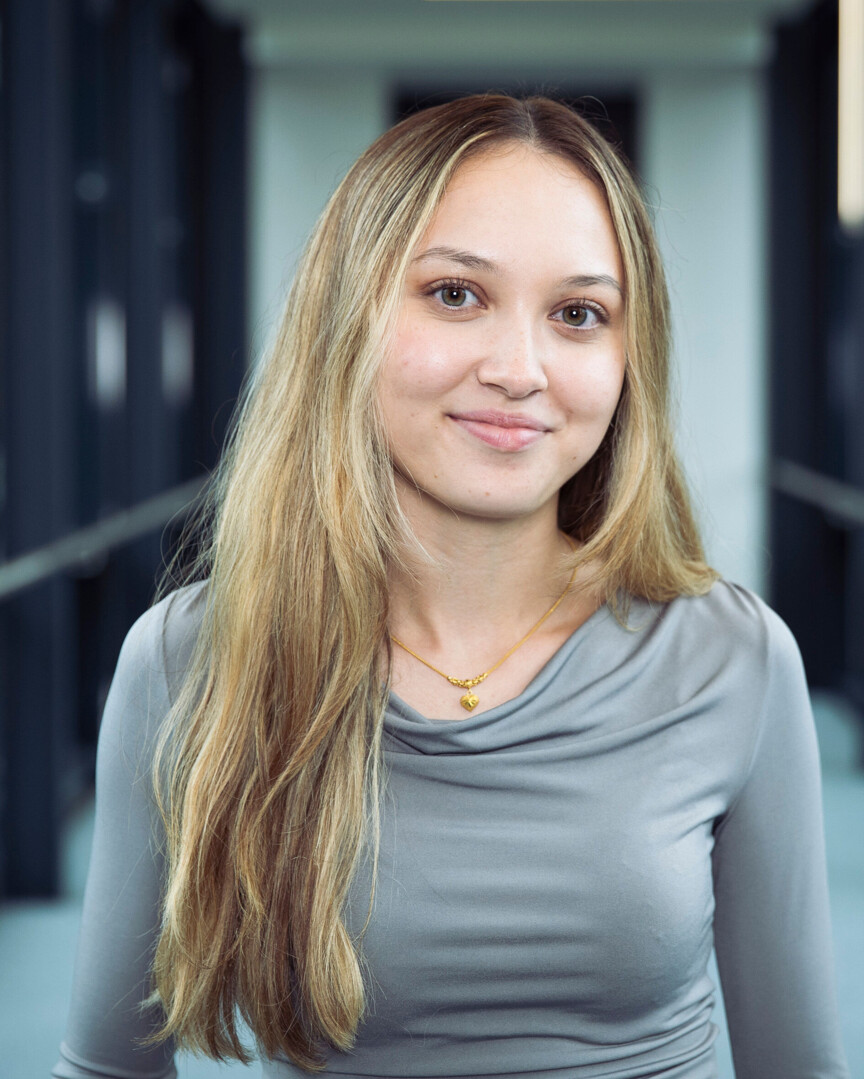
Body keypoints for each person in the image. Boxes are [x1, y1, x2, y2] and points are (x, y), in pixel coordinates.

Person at [53, 94, 850, 1079]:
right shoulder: (190, 657)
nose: (520, 370)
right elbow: (109, 1066)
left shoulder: (730, 656)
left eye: (578, 314)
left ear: (625, 360)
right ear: (350, 320)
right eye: (456, 295)